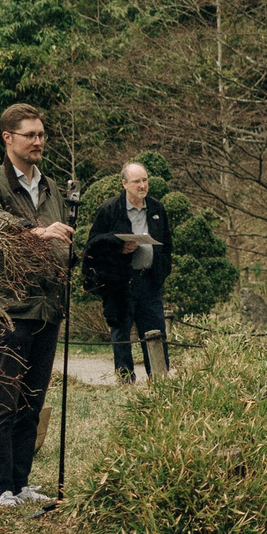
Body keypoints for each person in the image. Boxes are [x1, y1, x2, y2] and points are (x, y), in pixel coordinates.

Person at [0, 103, 77, 510]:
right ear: (7, 138)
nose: (37, 142)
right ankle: (0, 488)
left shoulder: (50, 187)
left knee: (32, 399)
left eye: (41, 134)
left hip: (47, 306)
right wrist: (36, 232)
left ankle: (22, 481)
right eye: (29, 135)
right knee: (5, 399)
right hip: (7, 307)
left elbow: (58, 240)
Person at [87, 160, 173, 383]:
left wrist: (161, 271)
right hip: (120, 282)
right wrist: (118, 245)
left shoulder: (156, 208)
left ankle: (160, 381)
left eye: (145, 180)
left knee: (155, 332)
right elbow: (93, 244)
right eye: (137, 181)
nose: (142, 185)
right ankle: (125, 382)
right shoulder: (110, 209)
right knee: (121, 332)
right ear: (124, 183)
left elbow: (167, 245)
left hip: (149, 281)